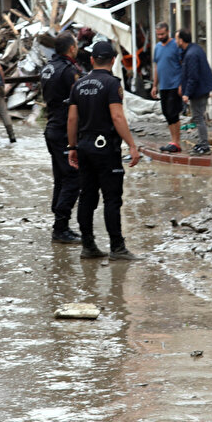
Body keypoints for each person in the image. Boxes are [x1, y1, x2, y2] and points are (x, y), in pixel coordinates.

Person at [67, 40, 141, 261]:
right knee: (111, 199)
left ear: (91, 60)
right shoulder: (111, 85)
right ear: (113, 60)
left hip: (85, 147)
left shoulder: (78, 85)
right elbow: (117, 116)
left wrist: (72, 147)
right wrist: (132, 145)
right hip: (106, 149)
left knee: (87, 197)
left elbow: (72, 119)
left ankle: (88, 246)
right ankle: (117, 248)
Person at [41, 32, 83, 244]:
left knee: (61, 176)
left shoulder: (48, 68)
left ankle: (61, 223)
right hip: (64, 129)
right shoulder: (69, 71)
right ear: (71, 49)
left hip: (52, 127)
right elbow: (78, 102)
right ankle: (60, 227)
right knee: (73, 178)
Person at [177, 29, 212, 156]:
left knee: (199, 118)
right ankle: (201, 142)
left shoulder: (191, 54)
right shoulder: (194, 49)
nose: (176, 41)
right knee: (198, 117)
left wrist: (186, 93)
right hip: (201, 88)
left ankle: (204, 146)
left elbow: (193, 76)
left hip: (199, 90)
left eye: (177, 38)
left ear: (181, 40)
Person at [150, 23, 184, 153]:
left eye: (163, 34)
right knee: (166, 113)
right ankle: (172, 140)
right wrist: (154, 85)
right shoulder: (157, 47)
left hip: (175, 84)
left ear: (168, 32)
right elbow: (157, 67)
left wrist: (182, 84)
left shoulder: (176, 45)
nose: (160, 36)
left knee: (173, 112)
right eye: (158, 34)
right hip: (163, 85)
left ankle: (177, 142)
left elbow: (182, 65)